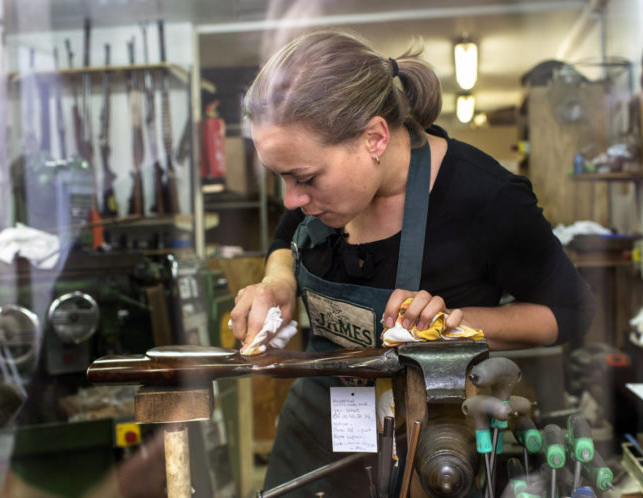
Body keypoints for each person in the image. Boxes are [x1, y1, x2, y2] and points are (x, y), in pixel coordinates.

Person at [231, 29, 595, 496]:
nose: (293, 198)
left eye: (304, 178)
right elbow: (287, 237)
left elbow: (571, 312)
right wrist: (278, 282)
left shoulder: (487, 199)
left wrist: (454, 324)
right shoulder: (319, 196)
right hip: (314, 430)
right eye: (281, 177)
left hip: (425, 448)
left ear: (374, 138)